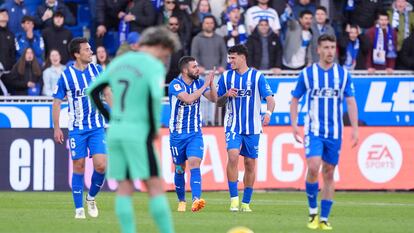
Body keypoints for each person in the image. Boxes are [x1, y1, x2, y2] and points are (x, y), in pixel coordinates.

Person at [87, 26, 180, 233]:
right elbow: (153, 97)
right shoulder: (153, 66)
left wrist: (110, 117)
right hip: (139, 132)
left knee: (125, 188)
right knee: (155, 186)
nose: (164, 59)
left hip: (116, 131)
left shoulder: (119, 62)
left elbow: (93, 91)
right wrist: (153, 128)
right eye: (165, 54)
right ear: (160, 46)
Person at [289, 34, 359, 230]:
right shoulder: (307, 74)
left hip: (335, 132)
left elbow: (351, 101)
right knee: (313, 166)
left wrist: (354, 128)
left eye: (332, 47)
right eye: (326, 47)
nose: (330, 51)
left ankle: (324, 218)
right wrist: (294, 125)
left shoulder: (343, 75)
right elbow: (295, 99)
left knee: (329, 173)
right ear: (318, 49)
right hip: (313, 130)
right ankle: (313, 212)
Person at [52, 37, 110, 219]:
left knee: (101, 166)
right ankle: (79, 210)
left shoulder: (98, 70)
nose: (91, 52)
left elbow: (107, 93)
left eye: (90, 48)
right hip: (77, 128)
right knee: (79, 165)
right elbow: (56, 102)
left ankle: (91, 198)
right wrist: (56, 127)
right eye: (87, 49)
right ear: (77, 54)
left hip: (97, 127)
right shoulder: (66, 75)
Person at [216, 44, 275, 212]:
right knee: (233, 156)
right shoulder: (226, 76)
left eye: (233, 58)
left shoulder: (257, 77)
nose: (230, 61)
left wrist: (268, 113)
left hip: (253, 127)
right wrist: (226, 95)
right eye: (229, 58)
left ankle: (246, 203)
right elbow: (218, 102)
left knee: (249, 164)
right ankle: (234, 200)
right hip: (233, 125)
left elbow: (270, 99)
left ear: (243, 57)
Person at [168, 56, 217, 212]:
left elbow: (214, 99)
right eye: (194, 66)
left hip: (195, 133)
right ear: (185, 70)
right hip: (177, 135)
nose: (198, 69)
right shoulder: (175, 84)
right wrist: (205, 85)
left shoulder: (199, 83)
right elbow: (188, 99)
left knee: (195, 163)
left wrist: (211, 83)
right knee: (180, 169)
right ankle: (181, 201)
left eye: (197, 66)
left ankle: (196, 200)